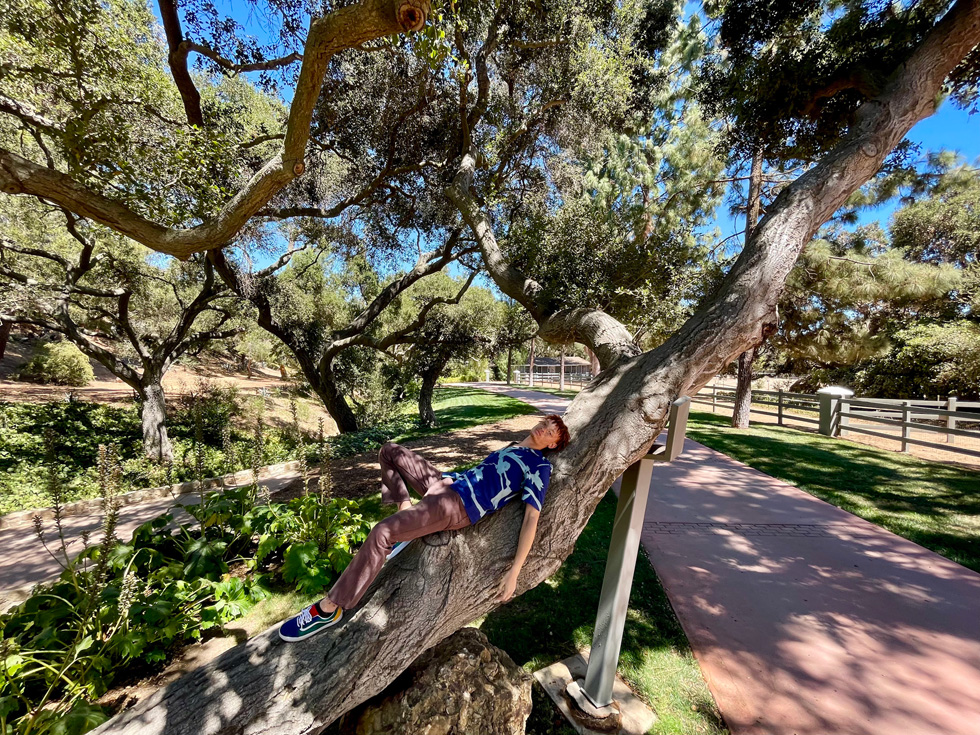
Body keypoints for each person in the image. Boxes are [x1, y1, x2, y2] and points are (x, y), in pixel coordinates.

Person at [279, 414, 571, 641]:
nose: (543, 428)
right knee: (389, 450)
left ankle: (330, 607)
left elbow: (532, 517)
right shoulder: (515, 447)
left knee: (381, 533)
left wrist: (515, 571)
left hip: (456, 505)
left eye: (550, 432)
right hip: (445, 482)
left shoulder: (539, 467)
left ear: (553, 444)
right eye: (544, 423)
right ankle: (405, 511)